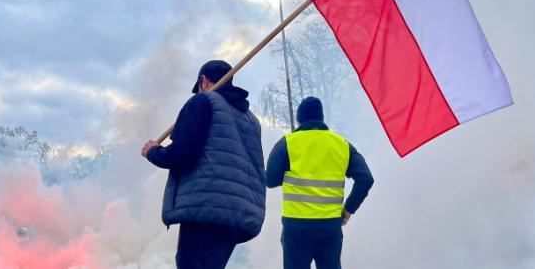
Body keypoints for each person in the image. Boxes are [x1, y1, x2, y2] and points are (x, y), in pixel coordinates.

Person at [141, 60, 266, 269]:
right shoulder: (250, 120)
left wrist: (153, 151)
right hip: (239, 214)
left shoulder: (202, 102)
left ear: (203, 80)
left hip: (207, 209)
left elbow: (182, 154)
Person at [266, 97, 374, 269]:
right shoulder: (342, 145)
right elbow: (366, 179)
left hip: (296, 227)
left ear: (298, 121)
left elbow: (270, 180)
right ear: (321, 119)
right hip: (330, 226)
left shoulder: (287, 143)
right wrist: (348, 209)